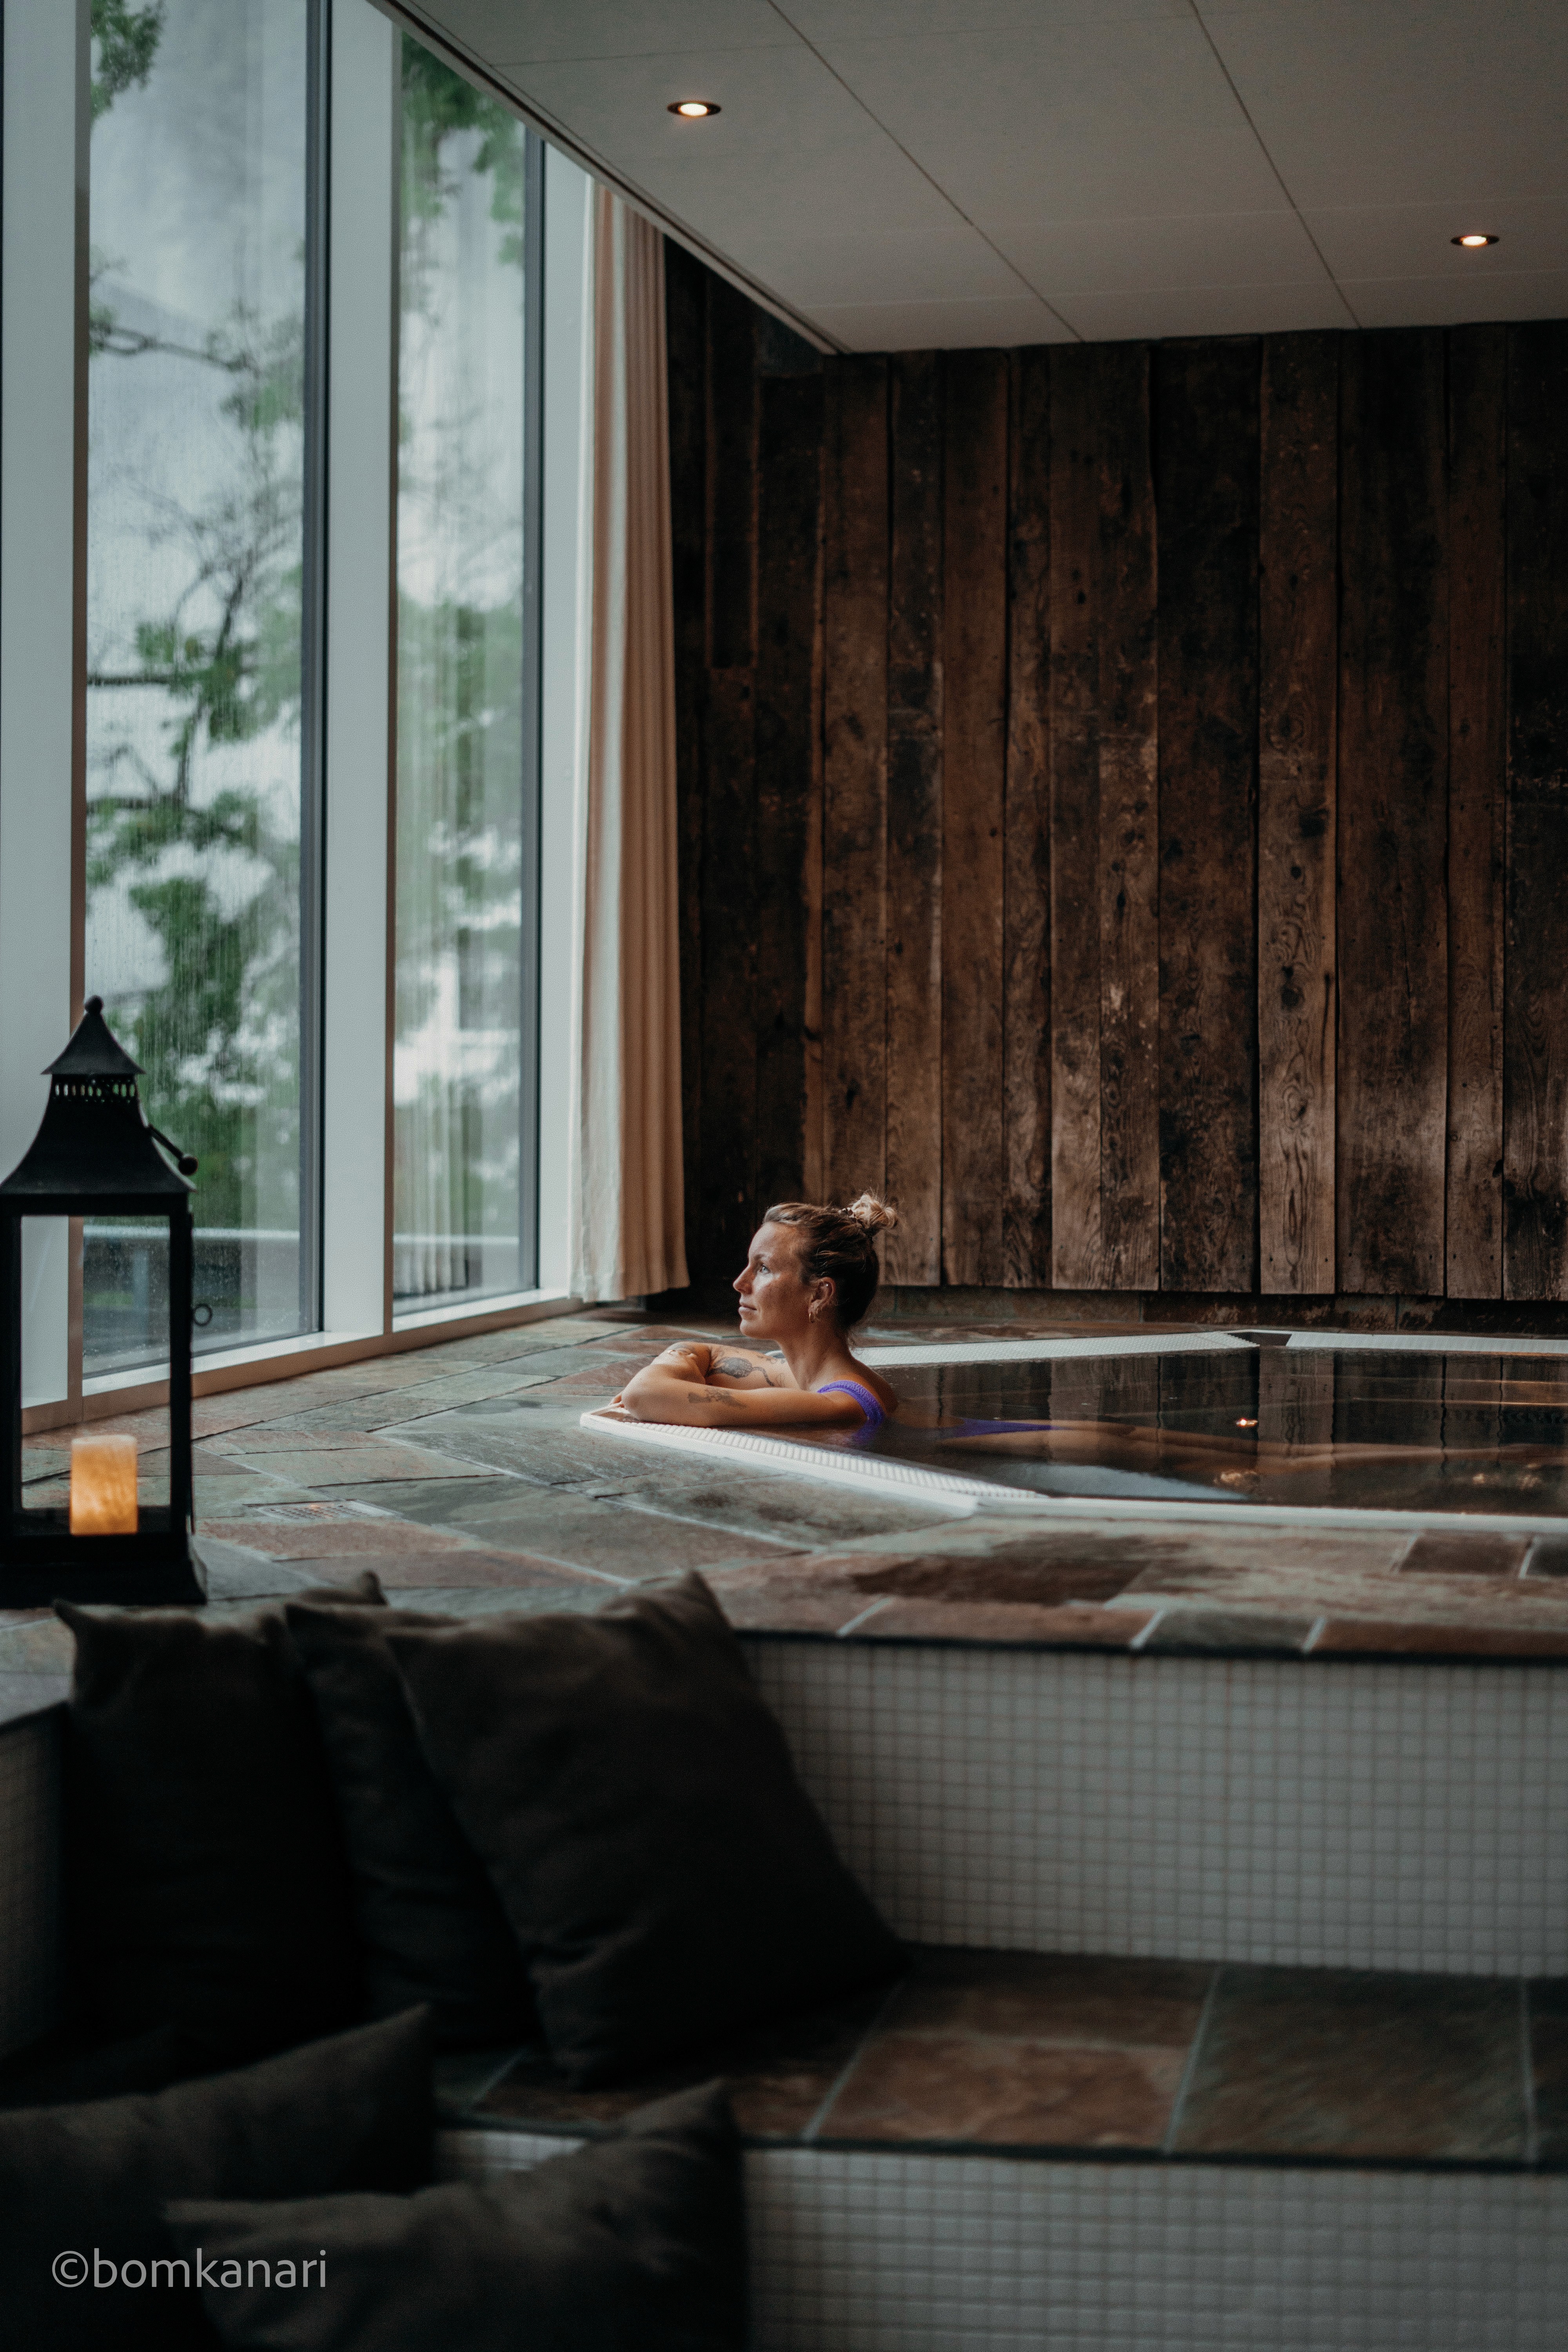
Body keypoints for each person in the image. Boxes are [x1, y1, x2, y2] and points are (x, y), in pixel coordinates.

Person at [615, 1195, 900, 1432]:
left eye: (764, 1268)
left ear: (819, 1295)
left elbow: (642, 1394)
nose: (740, 1283)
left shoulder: (840, 1404)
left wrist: (670, 1379)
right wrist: (674, 1372)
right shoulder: (807, 1376)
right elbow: (700, 1351)